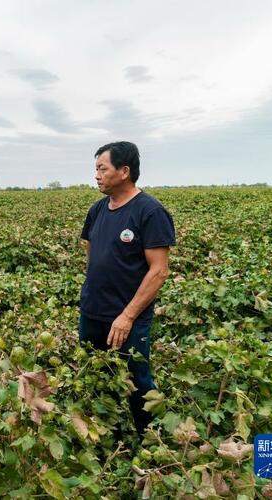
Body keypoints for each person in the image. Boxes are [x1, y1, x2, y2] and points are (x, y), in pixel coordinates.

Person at [79, 141, 176, 436]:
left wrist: (128, 316)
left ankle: (154, 441)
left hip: (127, 318)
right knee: (95, 375)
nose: (96, 175)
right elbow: (90, 249)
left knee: (137, 382)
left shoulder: (150, 211)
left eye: (102, 168)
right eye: (95, 168)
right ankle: (110, 434)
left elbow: (159, 271)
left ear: (124, 171)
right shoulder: (97, 210)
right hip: (93, 312)